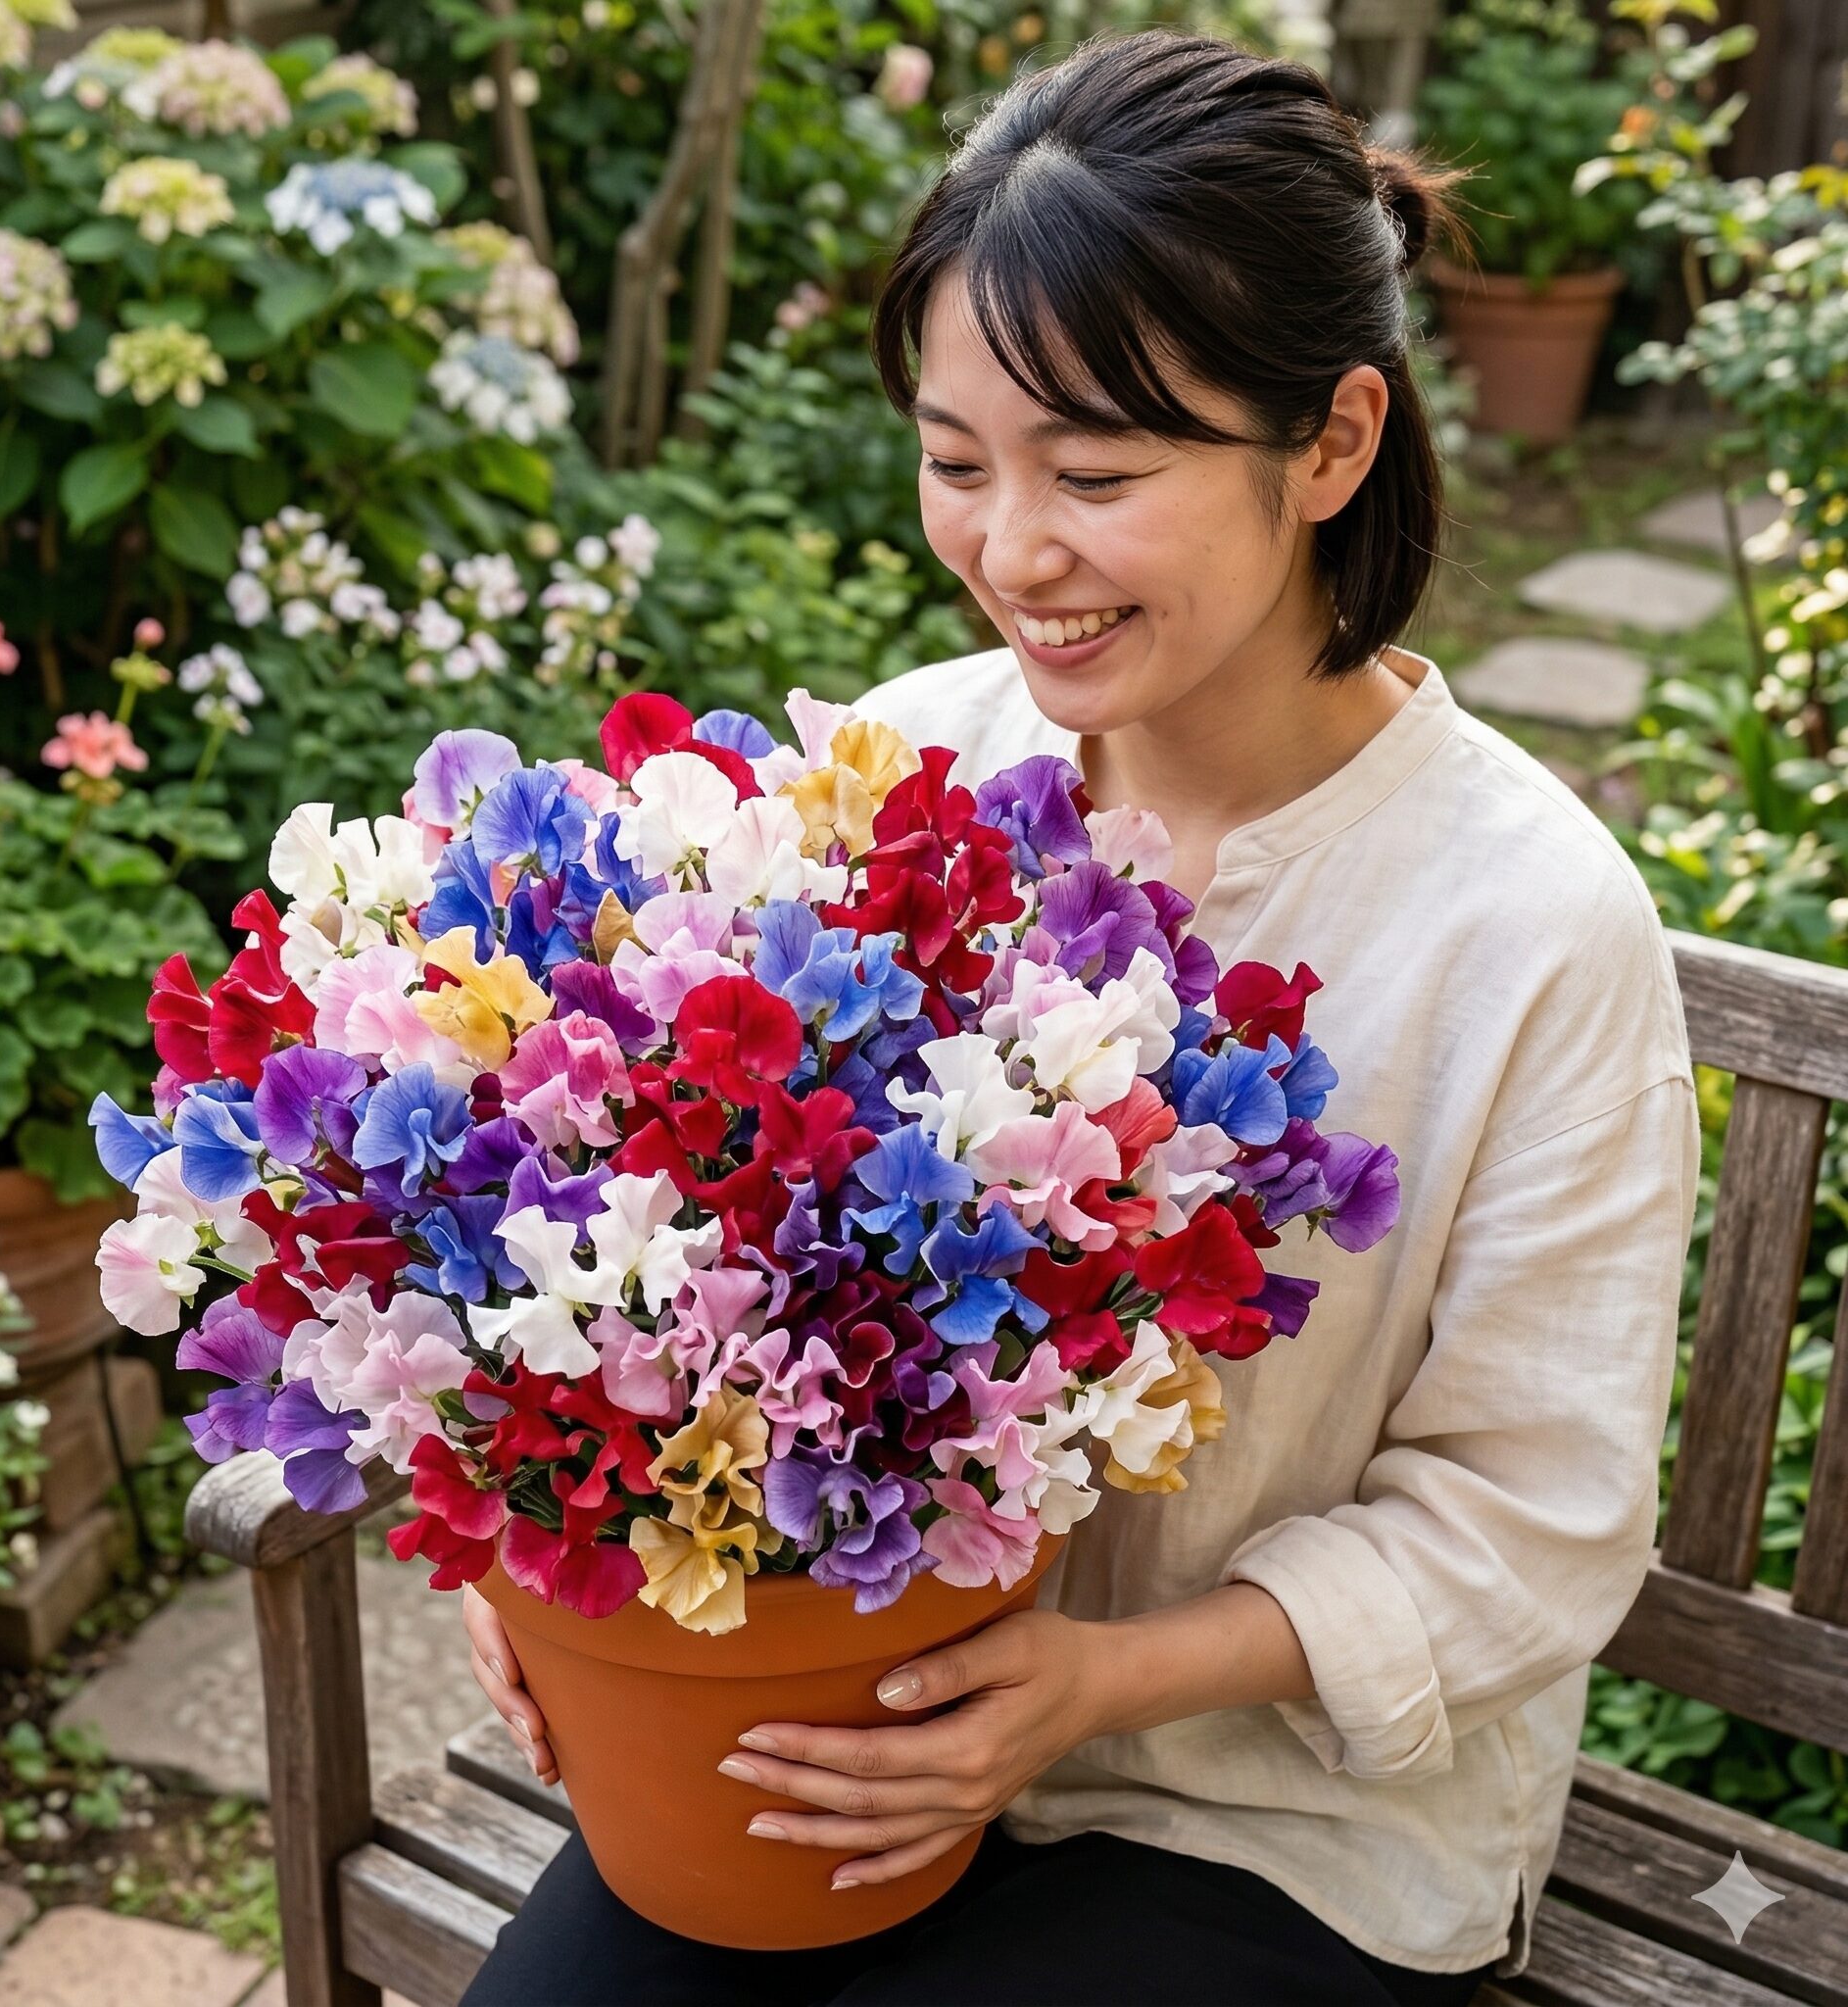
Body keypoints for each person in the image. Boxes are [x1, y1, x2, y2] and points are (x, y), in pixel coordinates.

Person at [460, 26, 1699, 2006]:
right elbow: (675, 1236)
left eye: (1096, 473)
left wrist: (1098, 1680)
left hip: (1269, 1819)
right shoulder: (902, 779)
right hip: (839, 1710)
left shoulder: (1526, 923)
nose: (1011, 552)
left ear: (1330, 443)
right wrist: (559, 1543)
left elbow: (1533, 1521)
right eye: (959, 462)